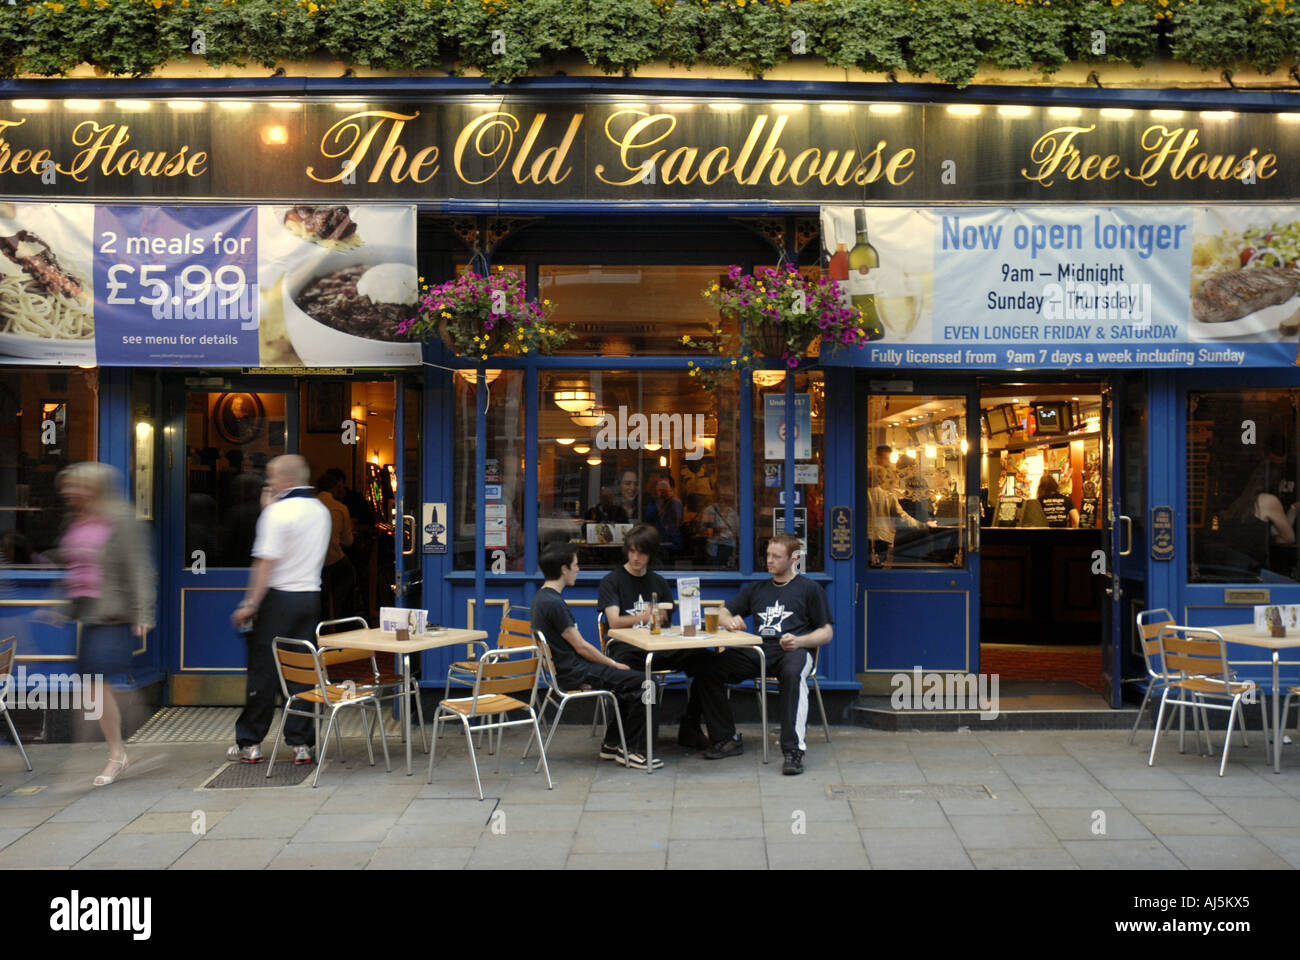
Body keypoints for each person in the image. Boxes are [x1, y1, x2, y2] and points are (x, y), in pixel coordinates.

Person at [690, 533, 833, 776]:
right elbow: (721, 612)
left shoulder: (809, 589)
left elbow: (826, 632)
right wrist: (730, 620)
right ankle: (727, 738)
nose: (770, 561)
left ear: (793, 558)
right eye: (768, 555)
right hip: (759, 651)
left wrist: (800, 640)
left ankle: (793, 750)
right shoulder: (757, 589)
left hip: (794, 651)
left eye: (776, 556)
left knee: (792, 674)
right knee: (707, 669)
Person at [56, 462, 156, 787]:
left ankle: (116, 753)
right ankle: (122, 735)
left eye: (77, 486)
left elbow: (140, 569)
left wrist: (144, 613)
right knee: (94, 684)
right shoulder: (78, 520)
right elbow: (75, 566)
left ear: (94, 488)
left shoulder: (122, 520)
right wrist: (62, 607)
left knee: (96, 685)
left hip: (114, 614)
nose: (69, 492)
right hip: (89, 614)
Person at [229, 455, 331, 764]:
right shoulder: (321, 511)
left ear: (285, 481)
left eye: (271, 478)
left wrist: (250, 603)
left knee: (265, 670)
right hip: (310, 597)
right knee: (302, 673)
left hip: (278, 598)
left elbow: (265, 564)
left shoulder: (276, 513)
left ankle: (251, 742)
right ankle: (302, 744)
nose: (268, 483)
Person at [531, 540, 662, 770]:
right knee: (647, 682)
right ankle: (633, 750)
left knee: (630, 683)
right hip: (575, 673)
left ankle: (612, 744)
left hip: (565, 671)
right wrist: (612, 663)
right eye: (576, 565)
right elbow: (581, 647)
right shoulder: (554, 604)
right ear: (564, 569)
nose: (578, 569)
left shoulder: (541, 599)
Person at [597, 523, 711, 750]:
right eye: (631, 551)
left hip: (658, 647)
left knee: (708, 661)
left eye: (641, 552)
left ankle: (691, 725)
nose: (636, 557)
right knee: (632, 673)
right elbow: (614, 622)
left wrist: (681, 617)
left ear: (650, 554)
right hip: (626, 648)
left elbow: (667, 624)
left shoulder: (658, 582)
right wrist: (645, 615)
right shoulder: (612, 581)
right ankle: (624, 733)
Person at [317, 471, 356, 619]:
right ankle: (345, 621)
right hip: (334, 560)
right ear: (335, 488)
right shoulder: (340, 508)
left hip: (314, 563)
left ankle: (323, 621)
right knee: (350, 573)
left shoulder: (309, 506)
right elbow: (348, 541)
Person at [697, 487, 740, 567]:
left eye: (727, 499)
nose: (723, 501)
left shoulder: (732, 513)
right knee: (714, 568)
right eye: (721, 498)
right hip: (714, 547)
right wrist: (717, 530)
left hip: (728, 546)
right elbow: (707, 531)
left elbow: (737, 531)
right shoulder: (710, 510)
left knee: (726, 568)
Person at [645, 476, 684, 559]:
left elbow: (678, 521)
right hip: (658, 541)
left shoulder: (675, 502)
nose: (662, 492)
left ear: (671, 489)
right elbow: (648, 517)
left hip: (673, 542)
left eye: (665, 489)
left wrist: (669, 502)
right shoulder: (654, 502)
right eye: (660, 489)